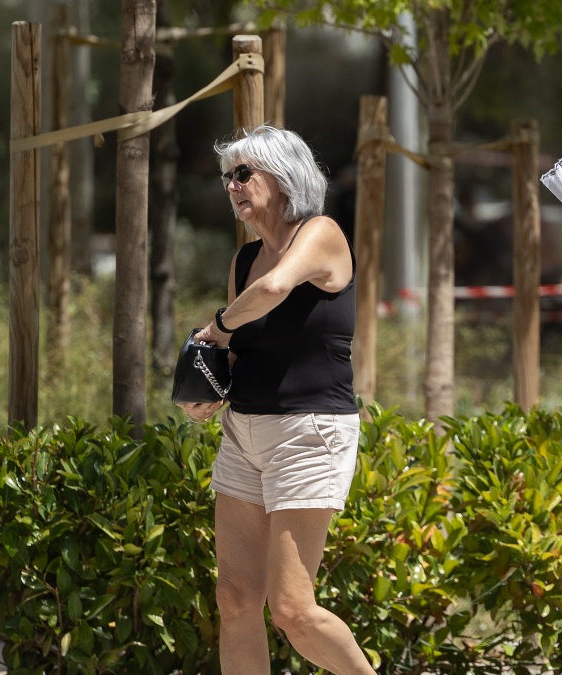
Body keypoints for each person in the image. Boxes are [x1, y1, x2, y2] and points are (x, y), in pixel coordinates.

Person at [178, 124, 374, 675]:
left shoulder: (321, 233)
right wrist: (210, 391)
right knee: (236, 599)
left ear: (284, 177)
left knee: (293, 609)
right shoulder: (244, 259)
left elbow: (271, 293)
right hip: (245, 432)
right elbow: (243, 348)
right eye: (227, 177)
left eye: (244, 173)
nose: (232, 186)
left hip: (309, 432)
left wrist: (215, 328)